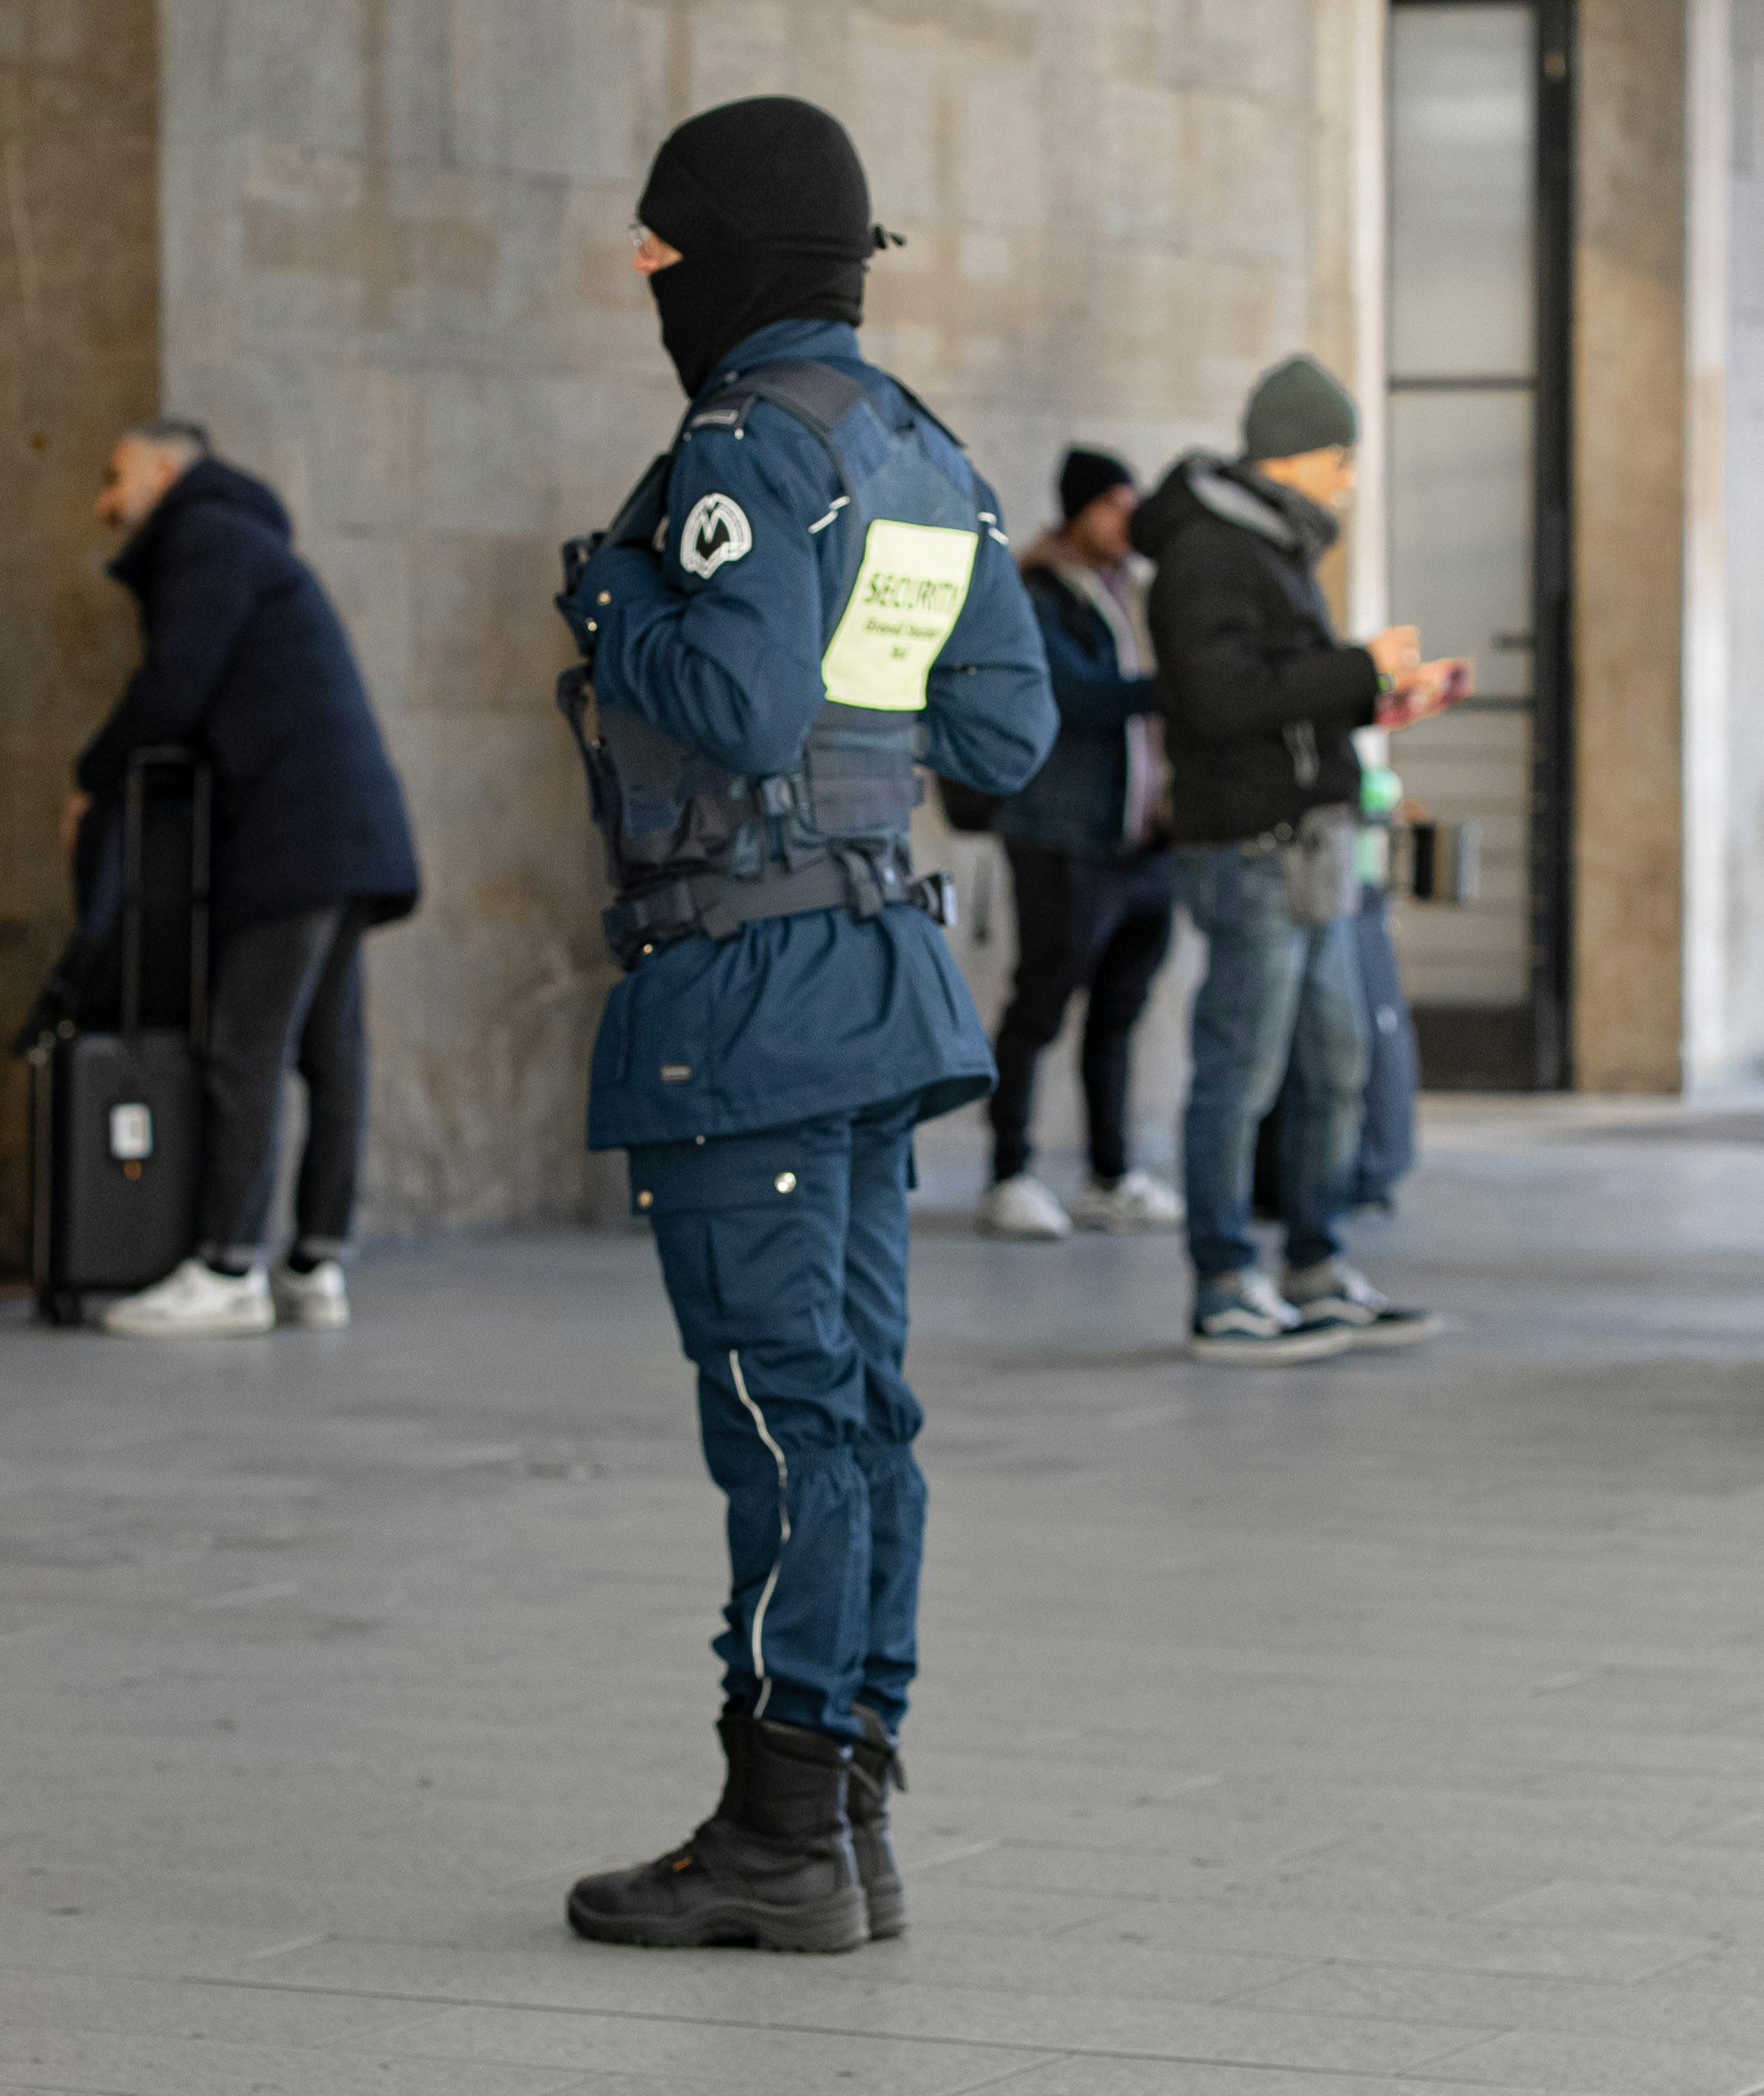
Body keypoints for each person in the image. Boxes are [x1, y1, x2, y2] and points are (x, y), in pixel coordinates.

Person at [551, 97, 1050, 1954]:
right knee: (856, 1416)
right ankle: (843, 1806)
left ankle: (773, 1837)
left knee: (781, 1420)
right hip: (877, 979)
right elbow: (1004, 735)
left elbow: (737, 703)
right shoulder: (923, 454)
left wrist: (611, 597)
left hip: (743, 999)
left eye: (660, 254)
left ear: (731, 263)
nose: (644, 281)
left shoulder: (743, 447)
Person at [1135, 358, 1456, 1366]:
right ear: (1290, 453)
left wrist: (1376, 696)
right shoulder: (1209, 552)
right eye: (1340, 457)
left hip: (1312, 847)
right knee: (1241, 1070)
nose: (1349, 479)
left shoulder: (1271, 544)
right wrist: (1359, 666)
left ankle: (1315, 1268)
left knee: (1335, 1062)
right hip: (1249, 851)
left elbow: (1277, 695)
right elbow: (1222, 698)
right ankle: (1222, 1282)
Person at [70, 419, 422, 1338]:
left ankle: (229, 1265)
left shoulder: (206, 538)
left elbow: (174, 682)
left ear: (161, 464)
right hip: (349, 826)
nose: (108, 504)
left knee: (244, 1049)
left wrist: (91, 778)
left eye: (115, 475)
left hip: (294, 829)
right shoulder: (249, 542)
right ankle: (316, 1263)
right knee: (330, 1050)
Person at [976, 448, 1185, 1244]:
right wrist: (1189, 684)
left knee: (1119, 1015)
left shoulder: (1136, 592)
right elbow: (1078, 699)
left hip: (1144, 843)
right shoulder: (1036, 592)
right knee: (1038, 1007)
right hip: (1061, 837)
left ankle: (1110, 1173)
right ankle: (1009, 1174)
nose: (1130, 523)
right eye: (1115, 507)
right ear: (1080, 512)